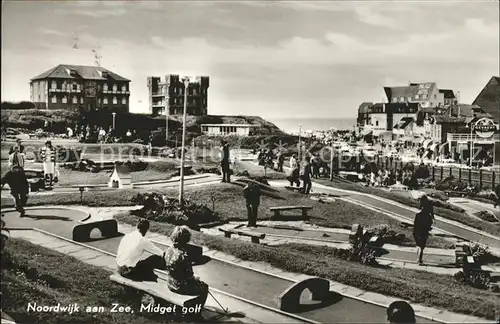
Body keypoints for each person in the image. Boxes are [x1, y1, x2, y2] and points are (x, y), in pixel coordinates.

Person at [164, 226, 209, 309]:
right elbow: (189, 276)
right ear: (186, 239)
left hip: (170, 283)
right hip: (180, 287)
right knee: (204, 287)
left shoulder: (168, 250)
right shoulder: (183, 255)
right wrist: (196, 279)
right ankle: (196, 312)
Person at [413, 195, 434, 265]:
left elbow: (415, 224)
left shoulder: (418, 215)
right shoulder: (428, 216)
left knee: (418, 246)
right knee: (421, 247)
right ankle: (420, 260)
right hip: (423, 232)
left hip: (416, 232)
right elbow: (429, 225)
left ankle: (417, 259)